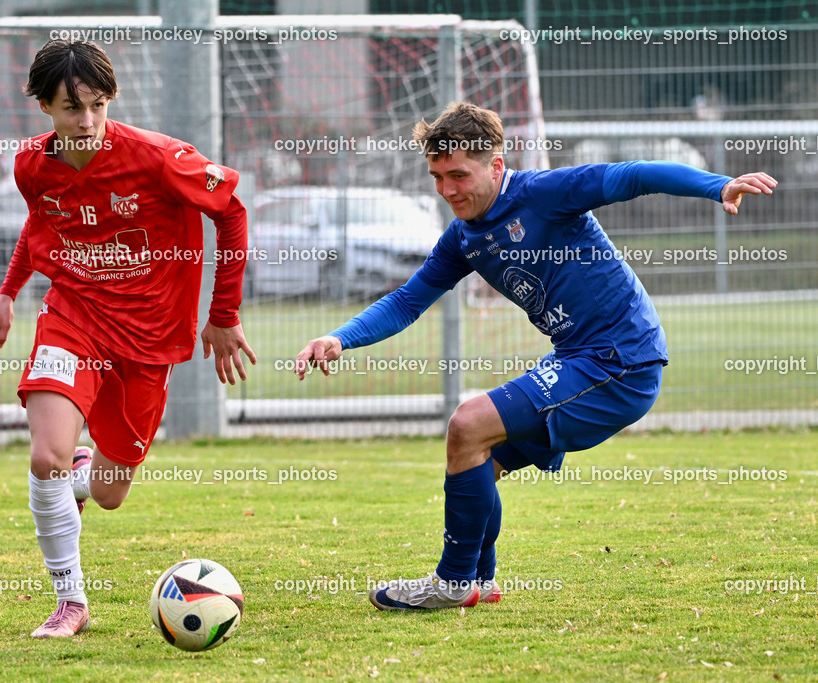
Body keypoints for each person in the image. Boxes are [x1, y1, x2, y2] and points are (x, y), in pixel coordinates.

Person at [294, 102, 776, 611]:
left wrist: (717, 186)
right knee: (476, 458)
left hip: (618, 362)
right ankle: (479, 579)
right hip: (580, 358)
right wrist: (340, 338)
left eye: (459, 174)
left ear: (495, 165)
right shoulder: (463, 238)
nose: (448, 189)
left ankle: (451, 583)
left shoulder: (544, 194)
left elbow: (634, 175)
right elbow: (406, 301)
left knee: (467, 425)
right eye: (437, 176)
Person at [0, 39, 256, 637]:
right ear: (44, 108)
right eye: (71, 108)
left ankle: (86, 469)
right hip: (71, 315)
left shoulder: (158, 158)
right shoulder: (30, 164)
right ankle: (70, 603)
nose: (87, 121)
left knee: (108, 494)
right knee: (44, 457)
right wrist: (6, 294)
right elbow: (41, 221)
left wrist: (224, 313)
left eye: (97, 105)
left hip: (149, 339)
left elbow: (230, 211)